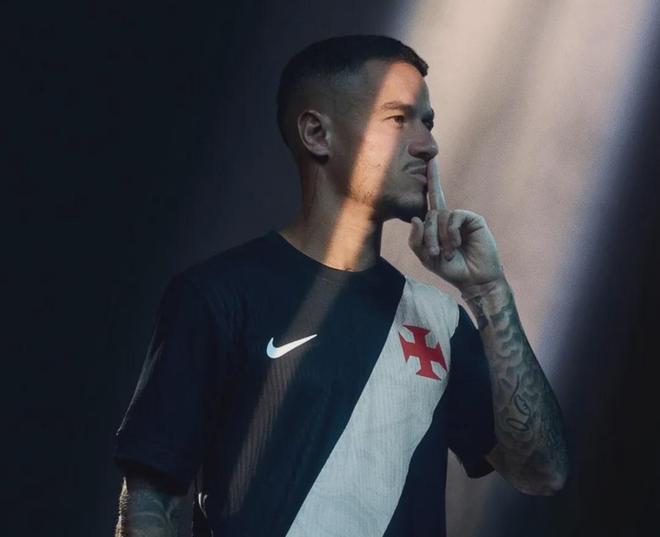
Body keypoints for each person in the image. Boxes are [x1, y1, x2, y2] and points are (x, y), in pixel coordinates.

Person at [113, 34, 568, 537]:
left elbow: (542, 472)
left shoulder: (439, 321)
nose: (428, 144)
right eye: (399, 119)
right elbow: (150, 501)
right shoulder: (218, 296)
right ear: (317, 134)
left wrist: (490, 291)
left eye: (428, 122)